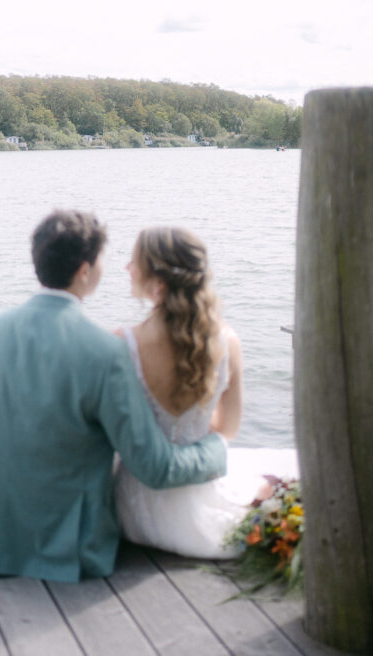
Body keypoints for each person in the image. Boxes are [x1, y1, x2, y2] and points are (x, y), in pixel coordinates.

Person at [0, 210, 228, 581]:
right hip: (69, 555)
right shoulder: (105, 352)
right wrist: (216, 450)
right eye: (102, 260)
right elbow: (154, 467)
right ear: (85, 271)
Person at [114, 226, 298, 559]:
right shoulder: (228, 342)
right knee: (265, 487)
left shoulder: (121, 343)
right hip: (197, 513)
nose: (127, 267)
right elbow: (228, 428)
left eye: (134, 261)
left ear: (158, 282)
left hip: (133, 512)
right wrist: (190, 422)